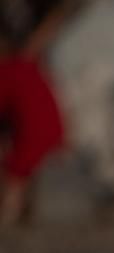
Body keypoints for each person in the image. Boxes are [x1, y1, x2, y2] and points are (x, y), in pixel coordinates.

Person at [0, 0, 76, 229]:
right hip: (48, 139)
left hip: (32, 141)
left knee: (17, 170)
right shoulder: (24, 69)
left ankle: (11, 208)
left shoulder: (15, 73)